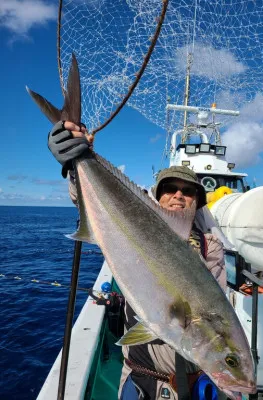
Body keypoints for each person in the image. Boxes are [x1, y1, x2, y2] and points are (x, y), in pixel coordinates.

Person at [48, 121, 226, 400]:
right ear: (157, 197)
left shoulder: (210, 246)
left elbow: (211, 306)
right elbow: (94, 201)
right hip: (144, 379)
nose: (178, 195)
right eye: (169, 188)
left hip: (195, 381)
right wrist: (74, 162)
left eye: (187, 191)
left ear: (196, 202)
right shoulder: (134, 226)